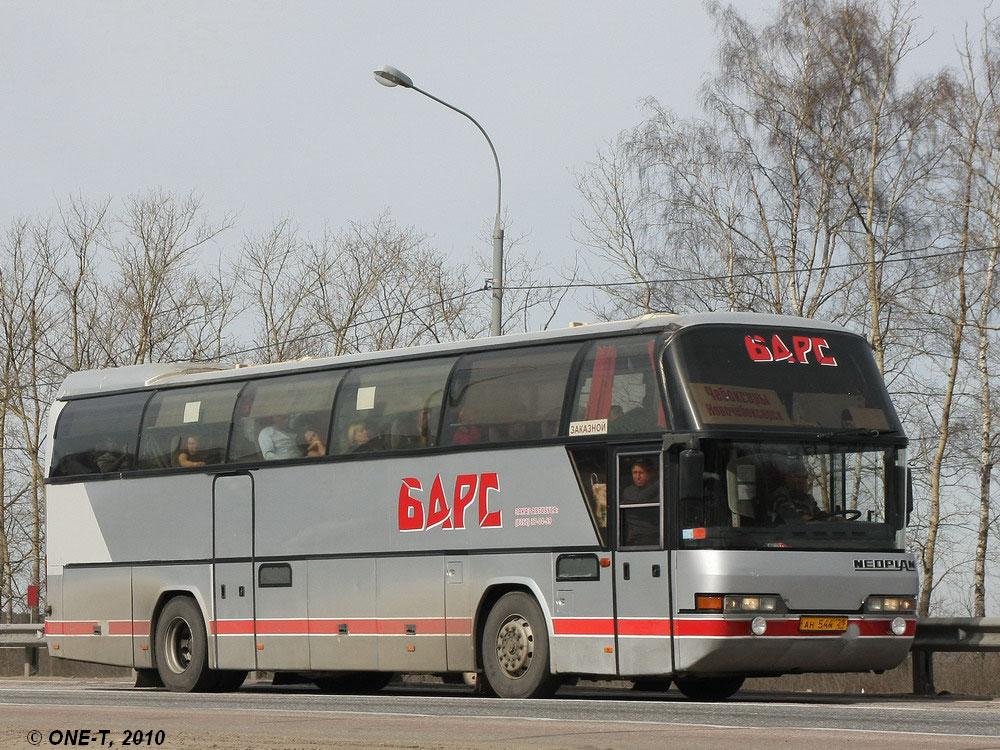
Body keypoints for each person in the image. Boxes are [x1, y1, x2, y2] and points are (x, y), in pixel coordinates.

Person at [770, 458, 825, 522]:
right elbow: (791, 514)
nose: (801, 481)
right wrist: (809, 520)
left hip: (809, 530)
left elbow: (818, 515)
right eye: (797, 476)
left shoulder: (808, 499)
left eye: (804, 477)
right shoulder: (780, 496)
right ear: (787, 478)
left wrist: (830, 518)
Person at [620, 457, 659, 545]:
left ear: (650, 474)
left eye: (641, 473)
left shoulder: (660, 490)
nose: (637, 477)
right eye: (634, 473)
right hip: (633, 539)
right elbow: (640, 499)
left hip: (653, 537)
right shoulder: (628, 491)